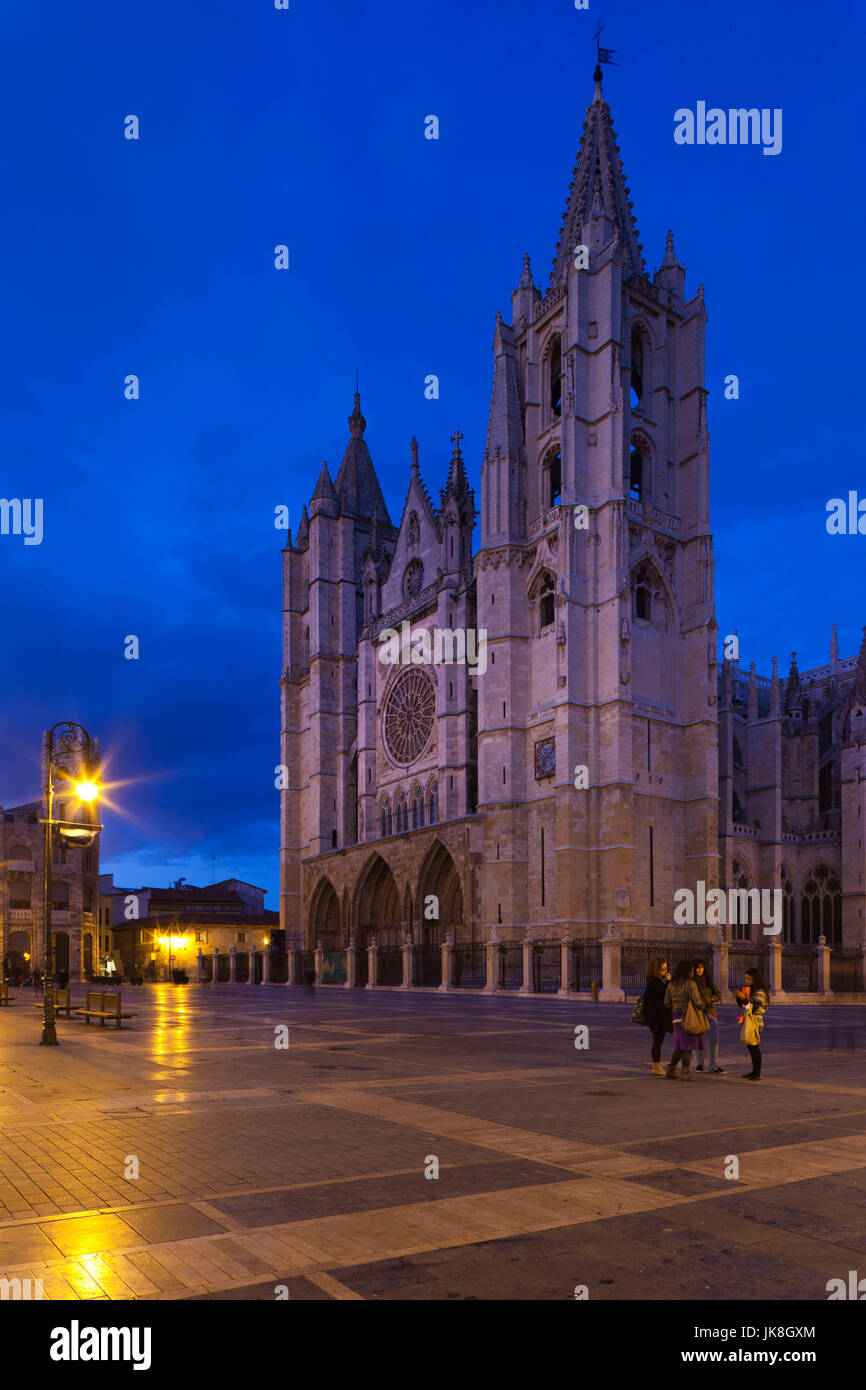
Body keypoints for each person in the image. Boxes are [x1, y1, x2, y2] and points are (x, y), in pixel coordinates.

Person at [663, 960, 705, 1080]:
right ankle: (685, 1073)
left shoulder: (671, 984)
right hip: (688, 1017)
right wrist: (704, 1006)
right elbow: (697, 1001)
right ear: (688, 971)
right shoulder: (690, 983)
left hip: (676, 1017)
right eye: (691, 970)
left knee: (680, 1045)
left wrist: (675, 1007)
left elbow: (666, 1002)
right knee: (687, 1046)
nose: (693, 973)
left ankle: (671, 1070)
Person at [733, 969, 769, 1080]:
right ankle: (754, 1071)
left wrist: (743, 998)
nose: (746, 980)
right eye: (745, 978)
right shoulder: (751, 990)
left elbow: (753, 1008)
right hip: (748, 1020)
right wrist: (738, 997)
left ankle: (757, 1073)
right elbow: (744, 1006)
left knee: (754, 1047)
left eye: (748, 978)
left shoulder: (760, 992)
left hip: (755, 1022)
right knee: (750, 1046)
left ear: (755, 978)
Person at [693, 959, 724, 1073]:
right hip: (696, 1013)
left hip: (709, 1011)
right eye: (697, 967)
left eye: (701, 967)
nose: (699, 970)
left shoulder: (709, 981)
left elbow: (718, 994)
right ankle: (699, 1064)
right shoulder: (691, 982)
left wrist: (711, 999)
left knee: (713, 1039)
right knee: (696, 1039)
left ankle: (713, 1065)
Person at [645, 957, 672, 1075]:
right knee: (657, 1040)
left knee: (658, 1040)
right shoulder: (653, 981)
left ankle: (656, 1066)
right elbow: (665, 993)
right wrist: (669, 981)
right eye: (663, 969)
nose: (665, 971)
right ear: (656, 969)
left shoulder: (654, 980)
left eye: (666, 969)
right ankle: (657, 1066)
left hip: (657, 1014)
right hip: (656, 1016)